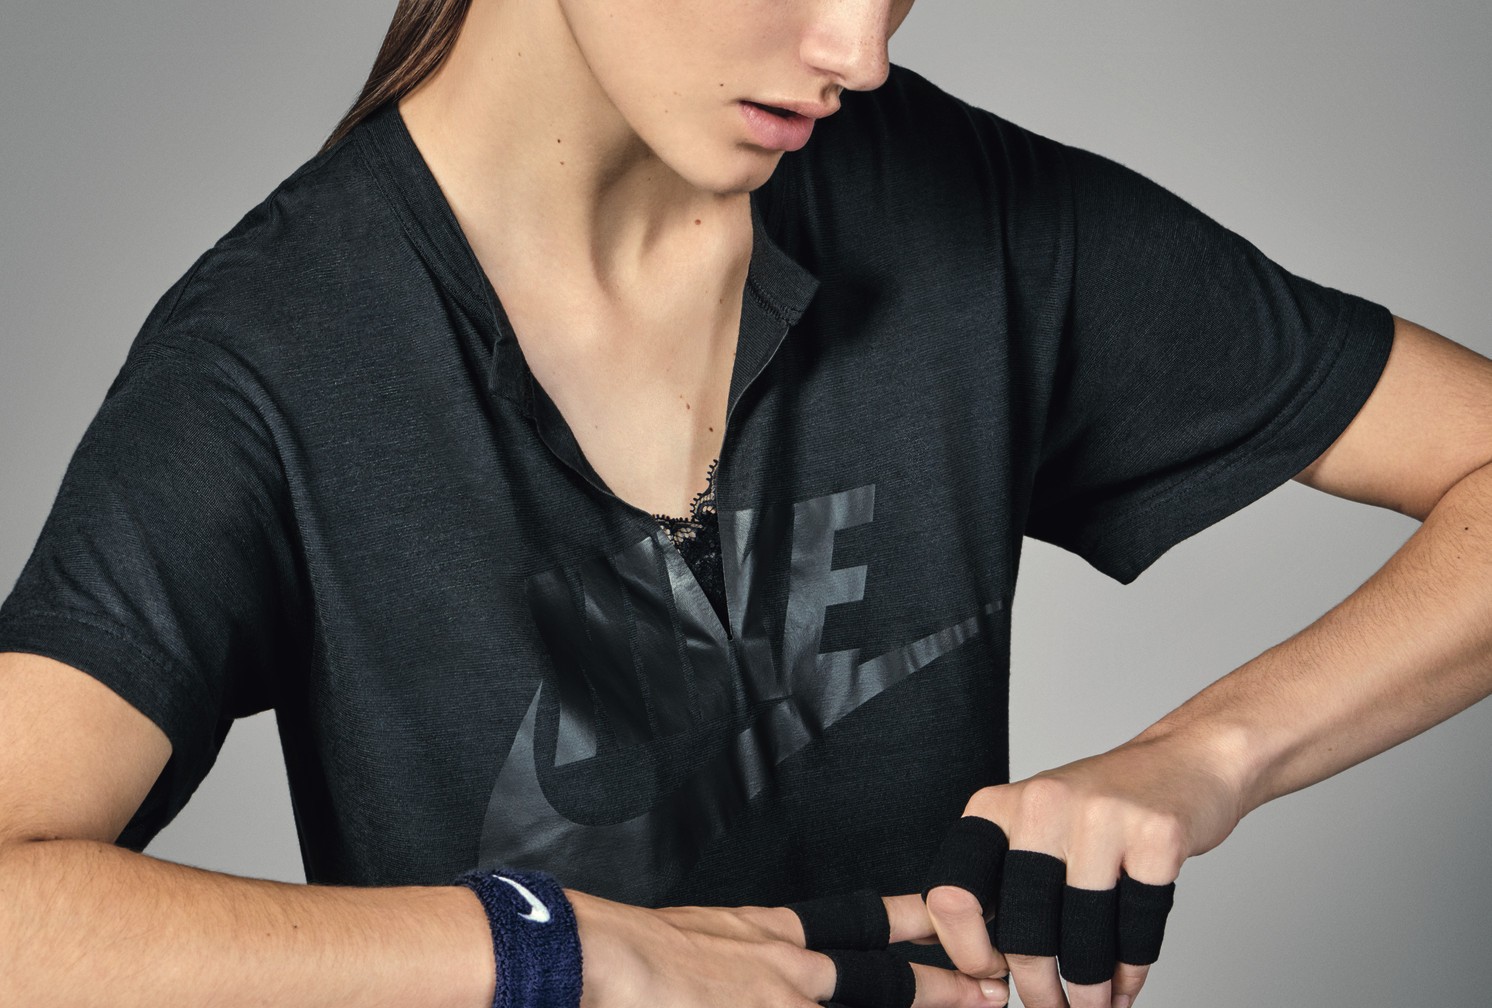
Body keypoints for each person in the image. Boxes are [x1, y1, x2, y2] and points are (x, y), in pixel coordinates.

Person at [1, 1, 1489, 1007]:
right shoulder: (269, 358)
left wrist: (1201, 758)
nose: (860, 47)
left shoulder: (963, 210)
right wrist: (564, 957)